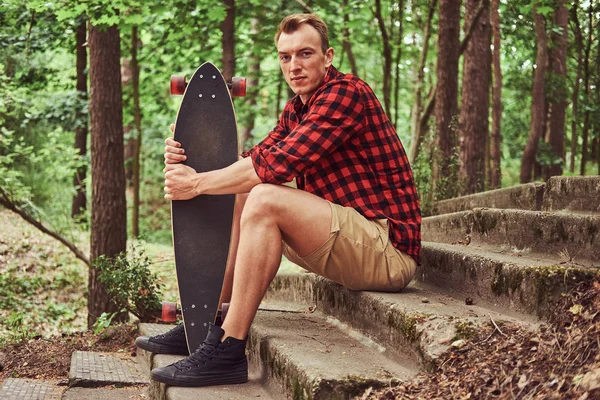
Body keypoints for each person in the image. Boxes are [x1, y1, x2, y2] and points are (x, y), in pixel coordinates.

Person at [135, 13, 421, 387]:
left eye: (305, 54)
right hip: (347, 239)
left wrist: (196, 184)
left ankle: (229, 348)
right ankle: (205, 325)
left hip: (387, 251)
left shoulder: (347, 94)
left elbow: (279, 164)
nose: (294, 66)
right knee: (242, 191)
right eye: (285, 57)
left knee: (264, 197)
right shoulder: (297, 109)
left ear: (328, 56)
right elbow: (250, 162)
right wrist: (189, 156)